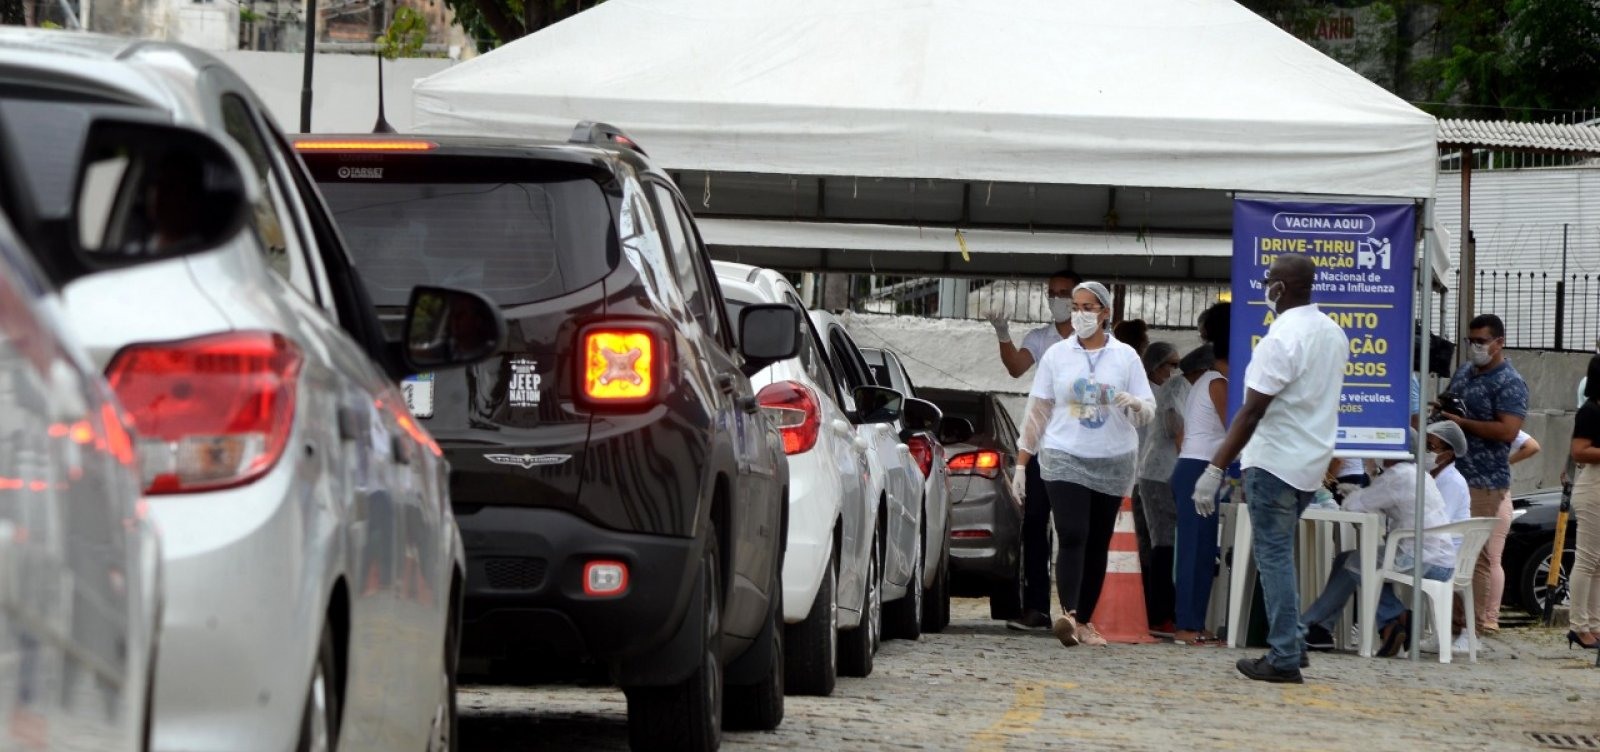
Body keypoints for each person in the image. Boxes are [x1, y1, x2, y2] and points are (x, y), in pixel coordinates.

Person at [1192, 254, 1348, 683]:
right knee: (1279, 555)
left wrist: (1215, 468)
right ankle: (1293, 641)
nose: (1265, 287)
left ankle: (1283, 656)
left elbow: (1251, 412)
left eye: (1269, 280)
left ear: (1282, 287)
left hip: (1275, 460)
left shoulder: (1282, 337)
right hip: (1310, 463)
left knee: (1274, 557)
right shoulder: (1333, 333)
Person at [1011, 281, 1155, 647]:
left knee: (1098, 542)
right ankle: (1070, 615)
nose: (1079, 314)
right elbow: (1039, 410)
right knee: (1073, 534)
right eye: (1075, 306)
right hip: (1063, 456)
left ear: (1105, 313)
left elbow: (1148, 408)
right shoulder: (1058, 356)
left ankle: (1086, 621)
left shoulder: (1125, 357)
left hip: (1112, 459)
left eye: (1088, 307)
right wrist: (1022, 463)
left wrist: (1135, 405)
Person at [987, 269, 1082, 632]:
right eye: (1052, 293)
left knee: (1075, 532)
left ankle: (1077, 610)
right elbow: (1015, 368)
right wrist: (1002, 334)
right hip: (1044, 449)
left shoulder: (1093, 342)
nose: (1056, 299)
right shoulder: (1041, 339)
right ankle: (1038, 609)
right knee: (1035, 529)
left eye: (1064, 293)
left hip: (1080, 450)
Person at [1300, 455, 1455, 657]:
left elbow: (1352, 506)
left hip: (1422, 558)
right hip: (1440, 557)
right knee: (1345, 559)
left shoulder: (1395, 476)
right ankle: (1321, 630)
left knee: (1355, 563)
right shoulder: (1420, 474)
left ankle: (1307, 626)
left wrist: (1357, 490)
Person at [1440, 313, 1529, 636]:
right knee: (1447, 547)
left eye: (1481, 342)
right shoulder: (1464, 372)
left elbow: (1508, 430)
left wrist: (1463, 424)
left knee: (1474, 553)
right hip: (1452, 472)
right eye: (1470, 341)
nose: (1475, 347)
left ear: (1498, 343)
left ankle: (1471, 627)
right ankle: (1450, 623)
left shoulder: (1510, 382)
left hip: (1485, 480)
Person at [1171, 302, 1230, 645]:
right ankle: (1187, 626)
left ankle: (1194, 622)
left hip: (1196, 469)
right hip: (1197, 470)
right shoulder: (1218, 383)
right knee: (1194, 552)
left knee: (1204, 551)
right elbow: (1237, 430)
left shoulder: (1211, 380)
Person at [1136, 341, 1182, 636]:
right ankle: (1155, 612)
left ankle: (1156, 610)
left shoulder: (1171, 391)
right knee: (1155, 547)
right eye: (1170, 364)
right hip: (1149, 473)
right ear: (1155, 365)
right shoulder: (1154, 393)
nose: (1174, 371)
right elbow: (1172, 430)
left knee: (1158, 546)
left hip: (1158, 472)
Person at [1417, 420, 1473, 654]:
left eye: (1431, 446)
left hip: (1448, 555)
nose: (1426, 451)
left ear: (1447, 454)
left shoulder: (1450, 481)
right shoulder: (1434, 477)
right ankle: (1438, 634)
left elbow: (1438, 522)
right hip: (1440, 549)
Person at [1565, 356, 1600, 650]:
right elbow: (1580, 451)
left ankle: (1594, 623)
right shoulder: (1589, 410)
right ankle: (1578, 625)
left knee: (1598, 563)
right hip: (1593, 486)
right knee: (1587, 558)